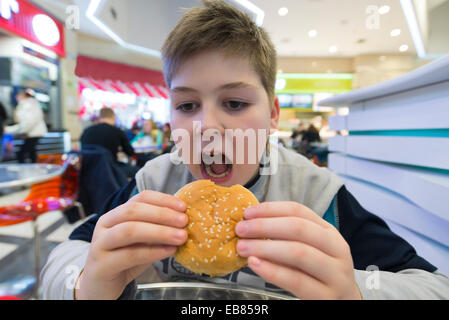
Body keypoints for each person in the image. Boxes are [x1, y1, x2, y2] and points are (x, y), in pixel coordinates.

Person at [41, 0, 449, 300]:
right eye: (187, 106)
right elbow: (68, 253)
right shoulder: (153, 182)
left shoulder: (318, 195)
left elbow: (434, 286)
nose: (207, 128)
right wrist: (83, 284)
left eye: (235, 103)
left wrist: (354, 290)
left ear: (273, 115)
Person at [80, 108, 138, 178]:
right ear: (113, 117)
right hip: (109, 170)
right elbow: (130, 152)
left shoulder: (86, 131)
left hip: (88, 171)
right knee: (138, 171)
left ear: (100, 117)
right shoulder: (117, 131)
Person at [5, 89, 48, 163]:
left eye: (17, 96)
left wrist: (19, 131)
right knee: (31, 153)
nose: (16, 98)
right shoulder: (33, 103)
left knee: (21, 154)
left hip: (32, 133)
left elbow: (28, 122)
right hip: (35, 132)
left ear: (22, 96)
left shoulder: (26, 105)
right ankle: (35, 170)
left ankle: (23, 172)